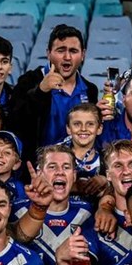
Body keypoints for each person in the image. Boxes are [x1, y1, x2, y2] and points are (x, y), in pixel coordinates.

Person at [11, 24, 99, 165]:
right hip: (37, 168)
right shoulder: (29, 81)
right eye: (60, 50)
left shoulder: (90, 89)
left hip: (76, 169)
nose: (67, 57)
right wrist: (41, 91)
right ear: (49, 53)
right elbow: (16, 122)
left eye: (73, 51)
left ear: (83, 55)